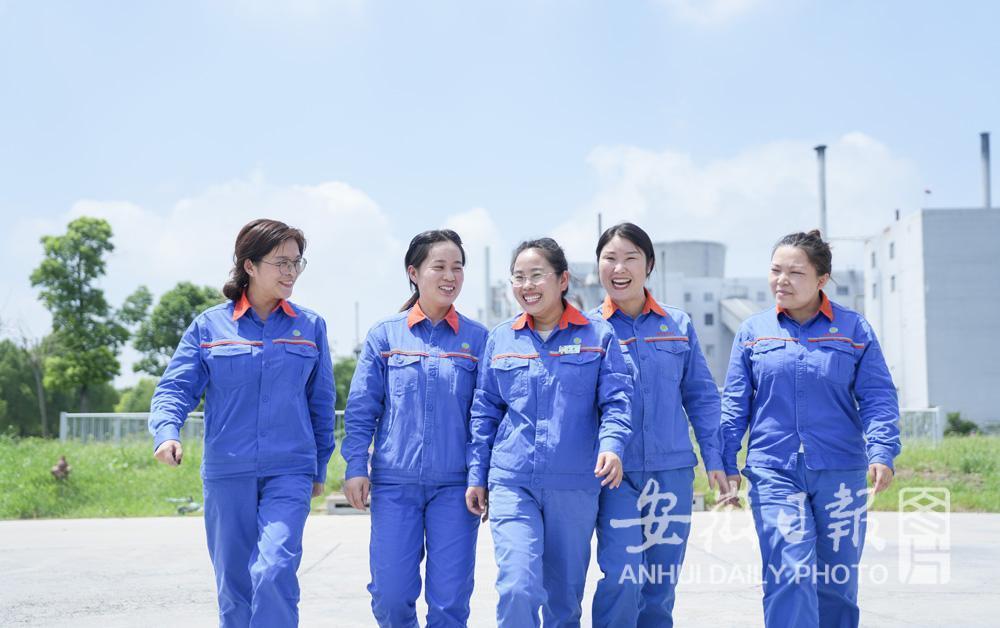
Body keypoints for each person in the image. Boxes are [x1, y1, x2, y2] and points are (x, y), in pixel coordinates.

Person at [148, 218, 335, 627]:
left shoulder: (310, 327)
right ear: (249, 265)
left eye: (297, 263)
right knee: (234, 588)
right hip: (227, 472)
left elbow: (321, 403)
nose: (291, 272)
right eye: (281, 262)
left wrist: (319, 466)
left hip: (290, 470)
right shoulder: (209, 326)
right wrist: (166, 433)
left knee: (273, 570)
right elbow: (175, 389)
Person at [722, 230, 901, 628]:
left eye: (795, 272)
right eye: (775, 270)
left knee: (836, 580)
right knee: (789, 568)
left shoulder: (853, 329)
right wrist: (725, 461)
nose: (781, 281)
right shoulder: (754, 331)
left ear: (822, 279)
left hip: (840, 469)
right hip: (773, 469)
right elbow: (735, 402)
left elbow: (877, 396)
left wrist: (882, 451)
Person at [466, 237, 633, 628]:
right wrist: (477, 474)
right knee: (517, 587)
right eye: (518, 277)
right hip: (512, 481)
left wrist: (612, 446)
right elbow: (485, 411)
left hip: (574, 485)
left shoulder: (598, 336)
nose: (527, 285)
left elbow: (617, 401)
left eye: (536, 275)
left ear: (562, 280)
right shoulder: (501, 338)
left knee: (564, 603)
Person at [341, 229, 487, 627]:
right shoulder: (385, 335)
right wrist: (355, 466)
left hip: (456, 488)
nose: (450, 276)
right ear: (413, 272)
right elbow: (362, 409)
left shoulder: (478, 340)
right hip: (394, 485)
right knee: (390, 596)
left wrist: (479, 475)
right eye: (439, 266)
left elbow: (484, 417)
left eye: (458, 267)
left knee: (449, 602)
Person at [590, 222, 728, 627]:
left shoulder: (677, 325)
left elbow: (701, 396)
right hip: (613, 475)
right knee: (623, 575)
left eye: (630, 258)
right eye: (610, 258)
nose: (619, 268)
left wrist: (716, 458)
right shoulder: (586, 329)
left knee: (660, 584)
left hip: (672, 472)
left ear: (649, 265)